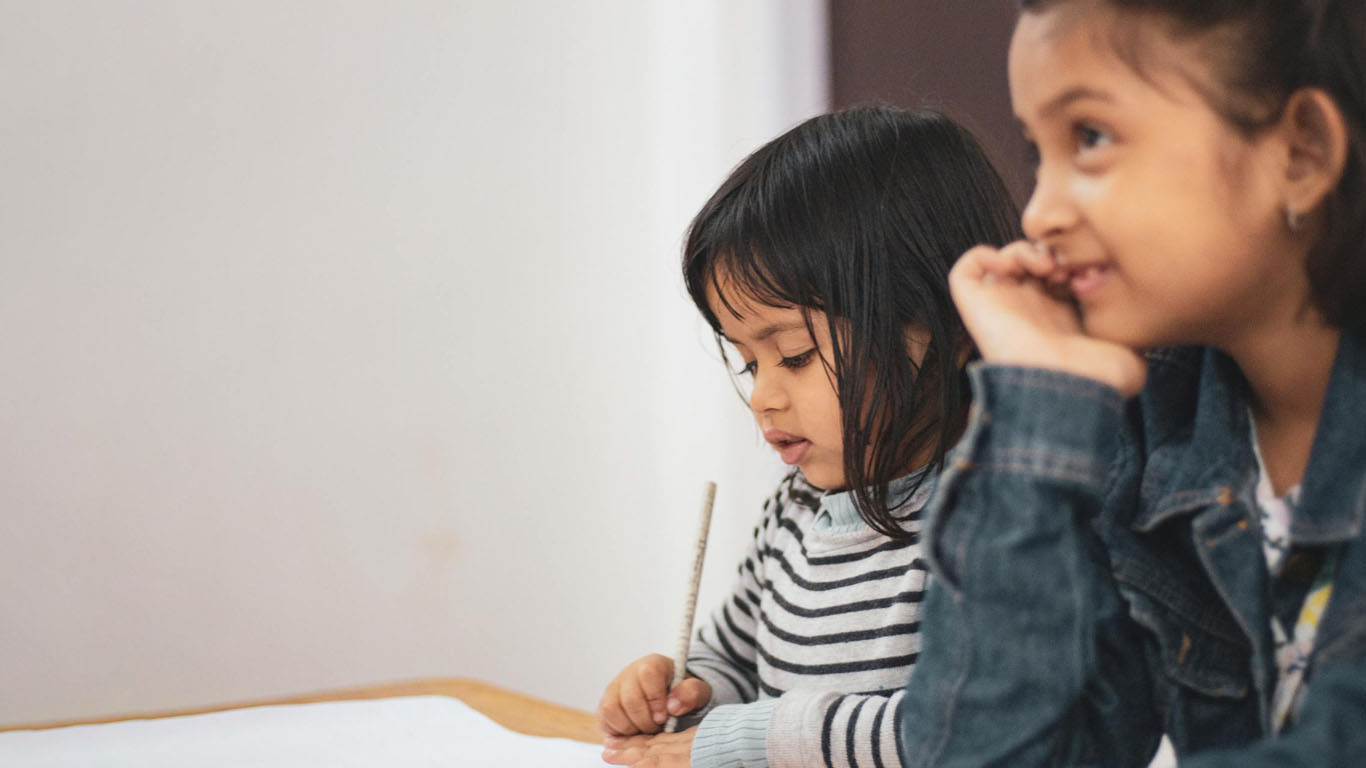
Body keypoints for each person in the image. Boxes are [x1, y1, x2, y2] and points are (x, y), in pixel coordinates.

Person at [898, 1, 1366, 765]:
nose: (1038, 214)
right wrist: (1037, 403)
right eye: (1036, 153)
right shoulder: (1151, 429)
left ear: (1301, 153)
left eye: (1091, 137)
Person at [595, 104, 1021, 768]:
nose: (762, 396)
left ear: (948, 325)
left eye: (793, 355)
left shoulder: (1001, 517)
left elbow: (965, 727)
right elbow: (733, 656)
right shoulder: (794, 510)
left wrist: (752, 740)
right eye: (748, 363)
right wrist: (679, 691)